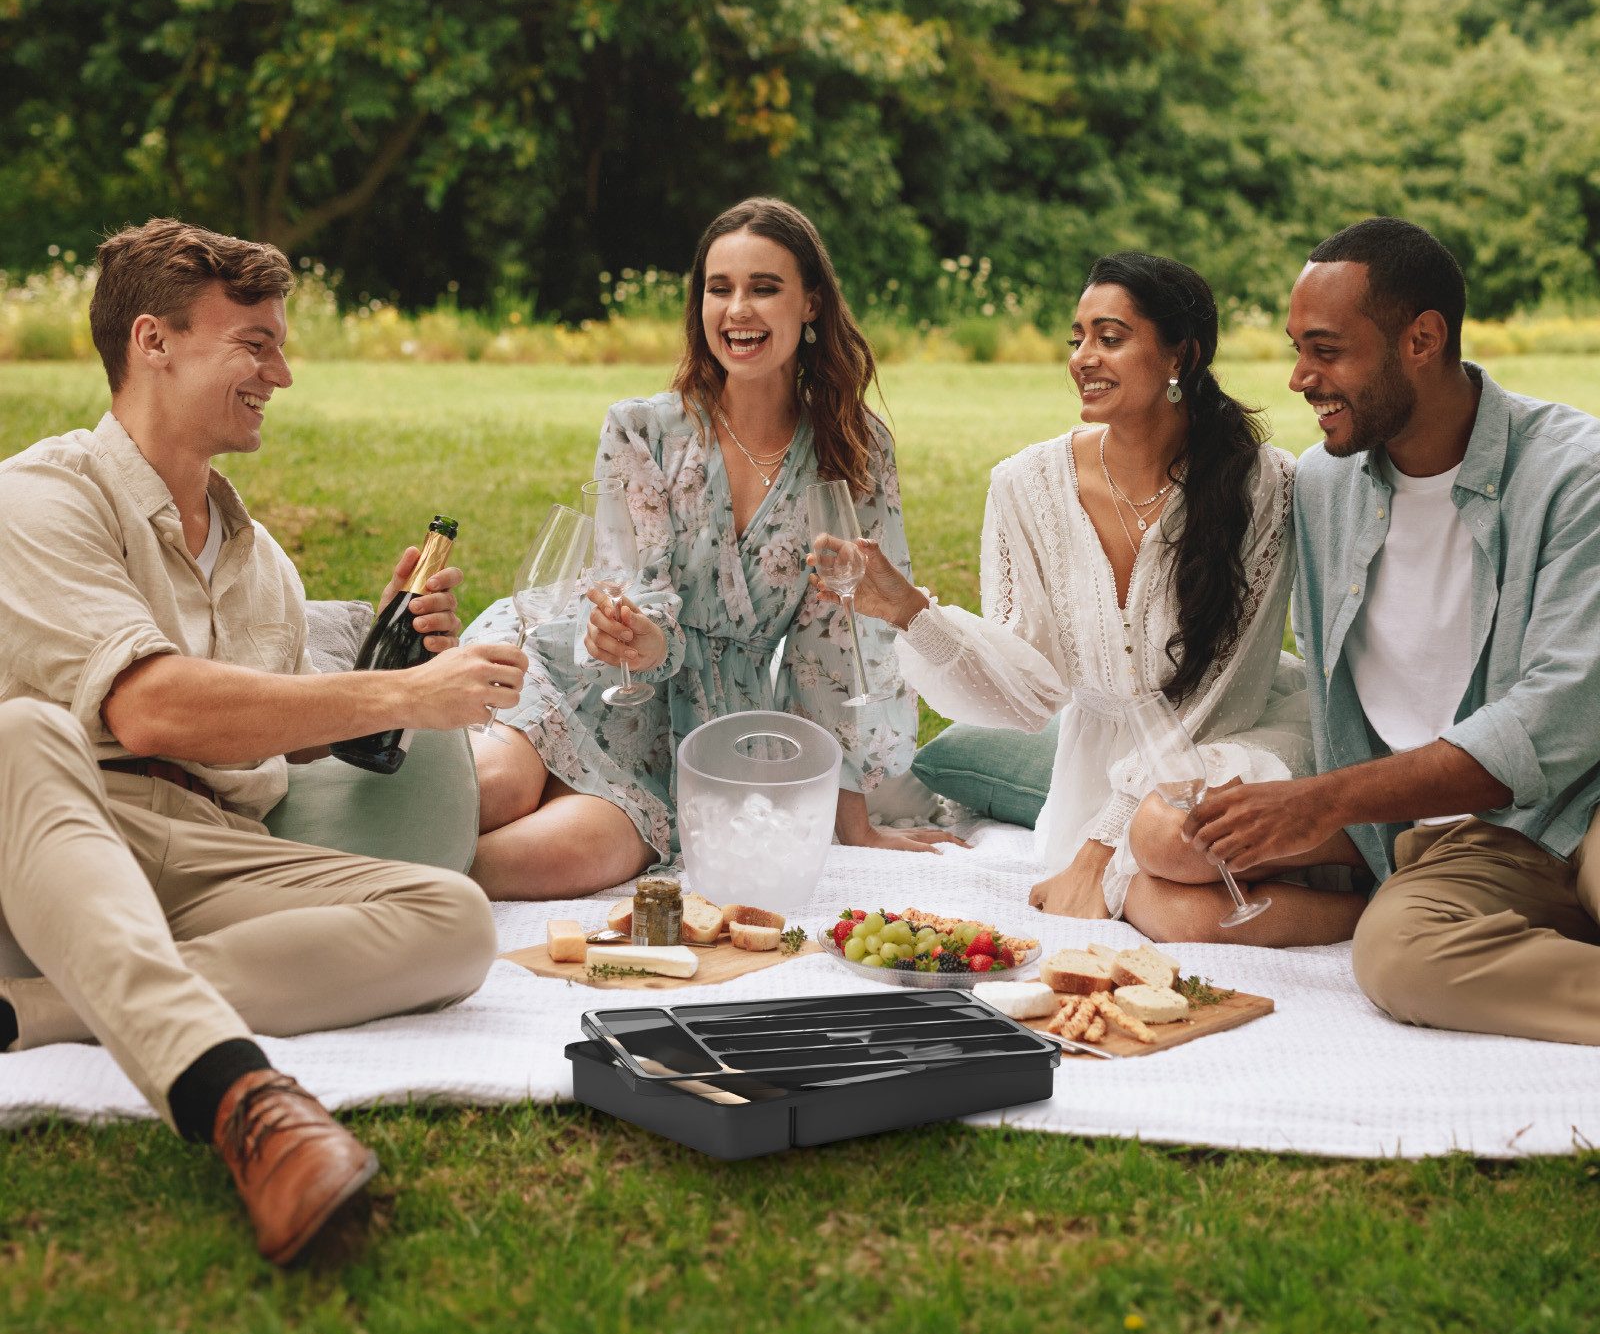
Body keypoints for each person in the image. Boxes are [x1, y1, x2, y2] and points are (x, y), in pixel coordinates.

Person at [0, 219, 530, 1264]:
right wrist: (417, 695)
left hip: (207, 843)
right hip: (58, 829)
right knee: (20, 729)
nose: (280, 373)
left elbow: (278, 745)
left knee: (454, 920)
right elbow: (149, 709)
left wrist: (388, 680)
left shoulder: (264, 565)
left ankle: (34, 1013)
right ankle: (243, 1099)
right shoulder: (38, 497)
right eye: (254, 343)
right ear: (153, 341)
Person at [829, 251, 1369, 944]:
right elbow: (1026, 698)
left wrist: (1100, 843)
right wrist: (911, 614)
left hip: (1228, 743)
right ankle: (1372, 910)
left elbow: (1219, 694)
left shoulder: (1264, 485)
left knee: (1167, 836)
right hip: (1097, 773)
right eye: (1077, 338)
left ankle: (1378, 851)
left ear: (1181, 354)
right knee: (1175, 912)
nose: (1084, 356)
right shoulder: (1024, 486)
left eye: (1110, 337)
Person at [464, 196, 963, 898]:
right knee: (492, 792)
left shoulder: (854, 452)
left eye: (765, 288)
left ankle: (359, 878)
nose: (738, 311)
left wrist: (856, 826)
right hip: (584, 667)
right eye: (719, 289)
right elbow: (627, 584)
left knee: (555, 862)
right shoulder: (643, 430)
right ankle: (309, 858)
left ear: (811, 303)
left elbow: (841, 645)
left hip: (696, 733)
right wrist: (640, 636)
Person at [1184, 217, 1600, 1041]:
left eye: (1327, 349)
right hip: (1469, 846)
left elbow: (1564, 713)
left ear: (1422, 338)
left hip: (1588, 799)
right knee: (1397, 956)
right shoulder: (1320, 488)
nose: (1301, 377)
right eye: (1298, 347)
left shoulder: (1574, 474)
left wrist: (1324, 801)